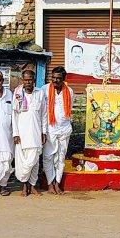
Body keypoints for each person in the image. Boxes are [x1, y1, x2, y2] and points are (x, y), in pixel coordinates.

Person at [12, 70, 47, 197]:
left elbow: (44, 114)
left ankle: (33, 186)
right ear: (22, 80)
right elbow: (14, 115)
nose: (27, 82)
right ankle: (24, 186)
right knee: (23, 162)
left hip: (36, 133)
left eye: (30, 80)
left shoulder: (40, 93)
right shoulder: (17, 93)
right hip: (22, 134)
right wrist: (15, 133)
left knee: (34, 162)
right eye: (25, 80)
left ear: (34, 80)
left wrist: (44, 132)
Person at [41, 66, 74, 195]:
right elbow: (43, 112)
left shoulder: (69, 91)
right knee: (48, 157)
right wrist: (43, 131)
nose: (55, 80)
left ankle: (57, 183)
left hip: (65, 129)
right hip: (50, 129)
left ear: (63, 79)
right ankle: (50, 184)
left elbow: (69, 111)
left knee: (61, 157)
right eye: (53, 78)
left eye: (58, 78)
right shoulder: (44, 90)